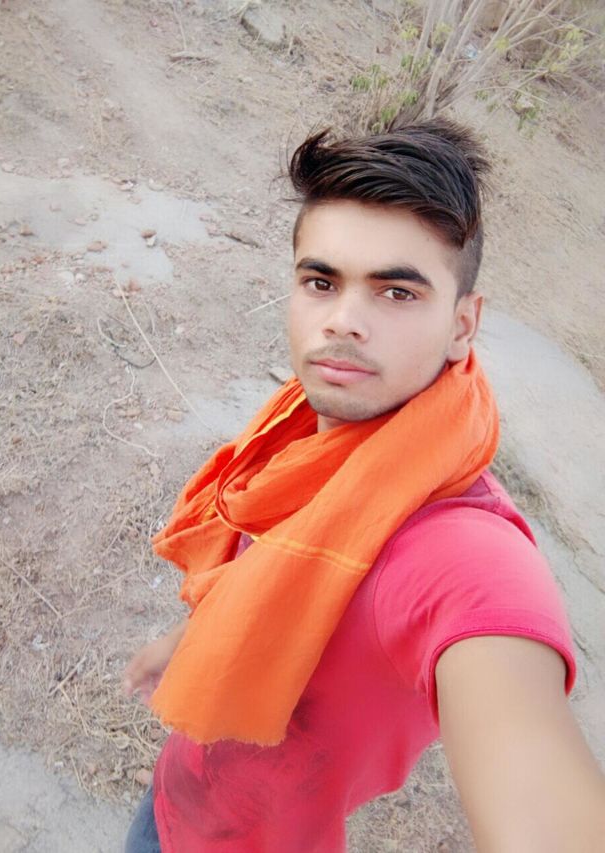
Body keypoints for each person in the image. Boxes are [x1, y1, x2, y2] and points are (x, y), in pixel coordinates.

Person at [123, 119, 605, 852]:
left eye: (397, 293)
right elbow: (267, 572)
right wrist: (189, 639)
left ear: (463, 325)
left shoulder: (457, 549)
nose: (343, 322)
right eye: (321, 282)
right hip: (173, 801)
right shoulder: (302, 431)